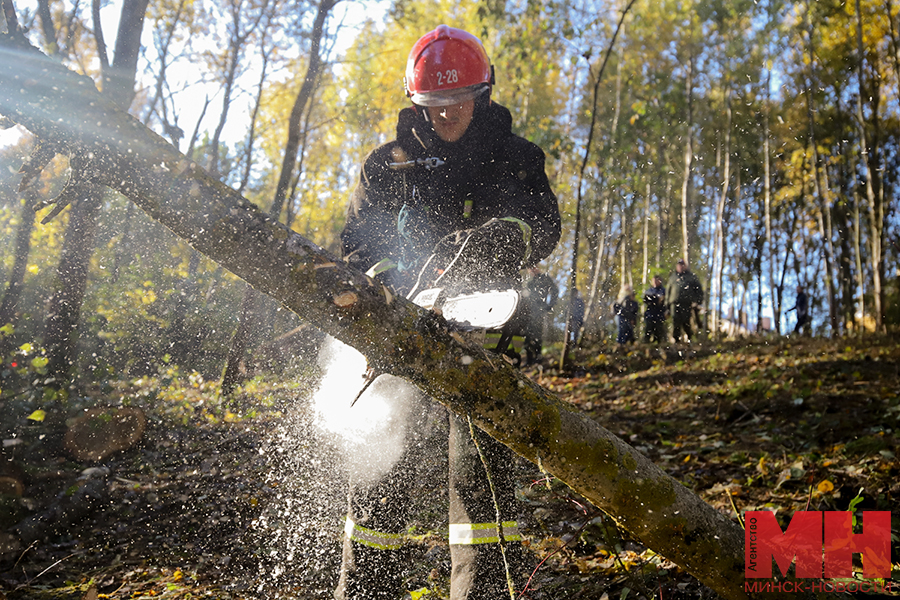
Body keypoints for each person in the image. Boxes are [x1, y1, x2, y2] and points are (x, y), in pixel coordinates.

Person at [337, 25, 560, 600]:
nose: (447, 114)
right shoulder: (388, 164)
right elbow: (357, 248)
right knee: (382, 454)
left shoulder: (517, 157)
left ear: (482, 94)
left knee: (480, 463)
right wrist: (384, 286)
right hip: (404, 320)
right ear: (418, 101)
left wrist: (510, 237)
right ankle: (365, 588)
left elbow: (546, 226)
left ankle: (482, 589)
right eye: (435, 104)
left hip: (489, 321)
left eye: (458, 100)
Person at [521, 266, 558, 365]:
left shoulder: (545, 278)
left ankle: (538, 359)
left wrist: (550, 306)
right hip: (529, 312)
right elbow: (525, 296)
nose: (531, 270)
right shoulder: (530, 282)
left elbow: (555, 290)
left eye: (533, 268)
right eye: (530, 269)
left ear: (537, 267)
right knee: (527, 335)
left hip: (540, 311)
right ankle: (529, 360)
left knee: (537, 335)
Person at [666, 258, 703, 342]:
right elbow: (668, 292)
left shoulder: (691, 277)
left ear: (685, 266)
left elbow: (699, 290)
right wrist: (667, 306)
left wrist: (698, 301)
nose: (680, 267)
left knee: (686, 322)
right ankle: (676, 341)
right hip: (674, 303)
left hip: (686, 303)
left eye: (682, 265)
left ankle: (689, 339)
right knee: (676, 322)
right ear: (676, 266)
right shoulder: (673, 277)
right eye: (679, 265)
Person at [642, 274, 667, 344]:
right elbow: (645, 300)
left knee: (659, 330)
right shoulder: (649, 291)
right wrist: (656, 299)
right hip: (650, 313)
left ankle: (658, 343)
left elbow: (665, 301)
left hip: (659, 313)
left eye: (657, 280)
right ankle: (646, 343)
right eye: (654, 281)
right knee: (648, 328)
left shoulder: (663, 290)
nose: (655, 282)